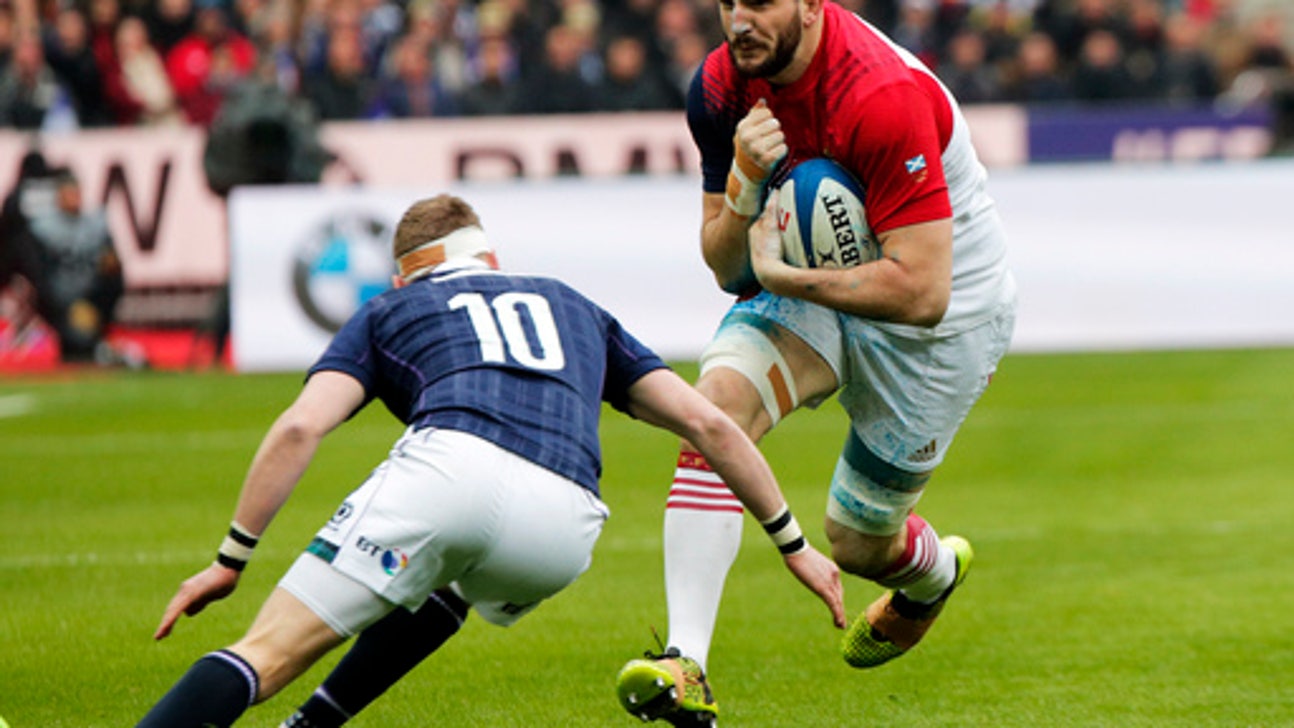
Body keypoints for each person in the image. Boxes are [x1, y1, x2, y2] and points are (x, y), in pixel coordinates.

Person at [134, 194, 845, 728]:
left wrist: (232, 558)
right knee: (450, 582)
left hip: (450, 469)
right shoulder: (572, 303)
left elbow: (300, 429)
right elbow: (709, 423)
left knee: (268, 651)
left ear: (408, 274)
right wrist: (795, 544)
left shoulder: (390, 310)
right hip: (563, 532)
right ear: (489, 260)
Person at [613, 0, 1017, 722]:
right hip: (810, 280)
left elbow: (923, 292)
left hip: (941, 326)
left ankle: (932, 577)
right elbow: (728, 266)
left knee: (859, 542)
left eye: (761, 2)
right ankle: (685, 664)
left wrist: (785, 276)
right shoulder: (719, 87)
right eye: (728, 1)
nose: (740, 19)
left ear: (809, 3)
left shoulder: (881, 95)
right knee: (715, 410)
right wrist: (741, 181)